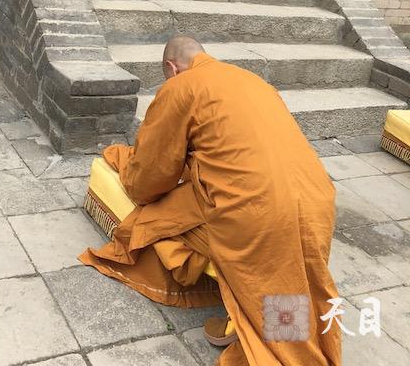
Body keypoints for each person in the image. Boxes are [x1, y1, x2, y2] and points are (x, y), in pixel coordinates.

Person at [80, 35, 341, 365]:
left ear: (171, 68)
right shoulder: (252, 80)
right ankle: (277, 326)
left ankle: (262, 328)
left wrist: (126, 165)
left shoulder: (181, 87)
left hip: (256, 211)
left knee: (156, 220)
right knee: (287, 270)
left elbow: (150, 176)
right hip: (317, 201)